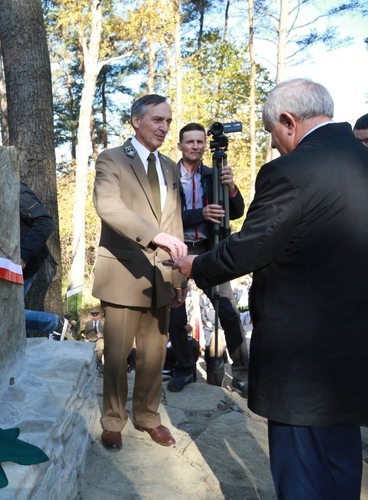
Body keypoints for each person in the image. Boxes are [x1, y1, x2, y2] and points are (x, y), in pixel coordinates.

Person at [174, 78, 368, 498]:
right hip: (354, 350)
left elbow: (251, 246)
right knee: (341, 461)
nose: (276, 144)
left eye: (272, 133)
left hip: (302, 359)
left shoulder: (290, 171)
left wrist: (194, 265)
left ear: (288, 120)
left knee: (301, 472)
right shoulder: (362, 158)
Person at [92, 93, 188, 451]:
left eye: (168, 121)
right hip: (123, 273)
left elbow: (174, 222)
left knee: (154, 355)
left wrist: (179, 278)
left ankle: (148, 416)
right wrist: (154, 236)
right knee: (117, 356)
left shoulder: (169, 167)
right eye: (157, 120)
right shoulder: (112, 159)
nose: (164, 127)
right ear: (136, 121)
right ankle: (113, 420)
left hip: (162, 275)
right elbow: (108, 207)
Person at [166, 123, 250, 396]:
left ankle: (242, 374)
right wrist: (201, 213)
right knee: (174, 313)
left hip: (207, 249)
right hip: (175, 249)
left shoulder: (213, 175)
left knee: (227, 309)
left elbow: (236, 213)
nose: (195, 146)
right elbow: (161, 217)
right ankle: (184, 368)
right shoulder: (167, 176)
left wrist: (231, 187)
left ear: (205, 144)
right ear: (179, 145)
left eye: (199, 142)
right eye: (189, 141)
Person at [19, 181, 69, 339]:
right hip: (0, 262)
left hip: (22, 263)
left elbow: (45, 222)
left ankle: (54, 324)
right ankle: (26, 347)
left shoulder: (15, 187)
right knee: (10, 316)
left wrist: (23, 255)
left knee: (6, 311)